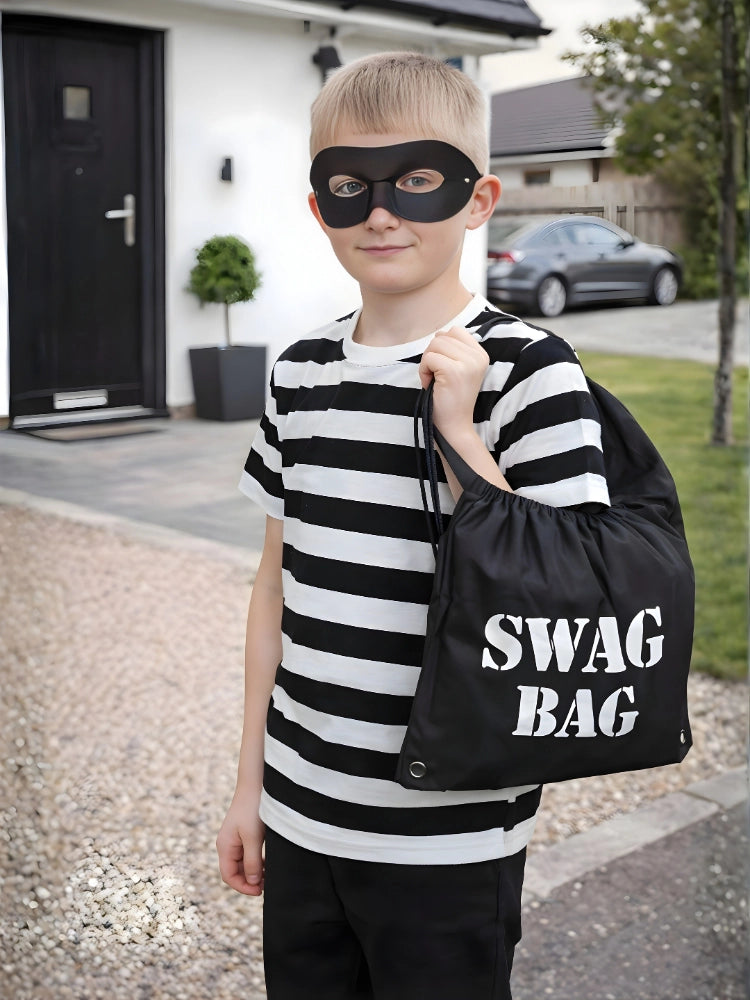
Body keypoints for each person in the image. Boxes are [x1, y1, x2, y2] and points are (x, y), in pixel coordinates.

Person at [216, 51, 611, 1000]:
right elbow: (275, 590)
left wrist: (459, 433)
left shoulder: (532, 370)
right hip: (302, 812)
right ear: (320, 208)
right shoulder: (299, 372)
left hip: (449, 835)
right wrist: (249, 786)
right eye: (350, 186)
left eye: (418, 180)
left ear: (478, 200)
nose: (382, 213)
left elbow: (566, 587)